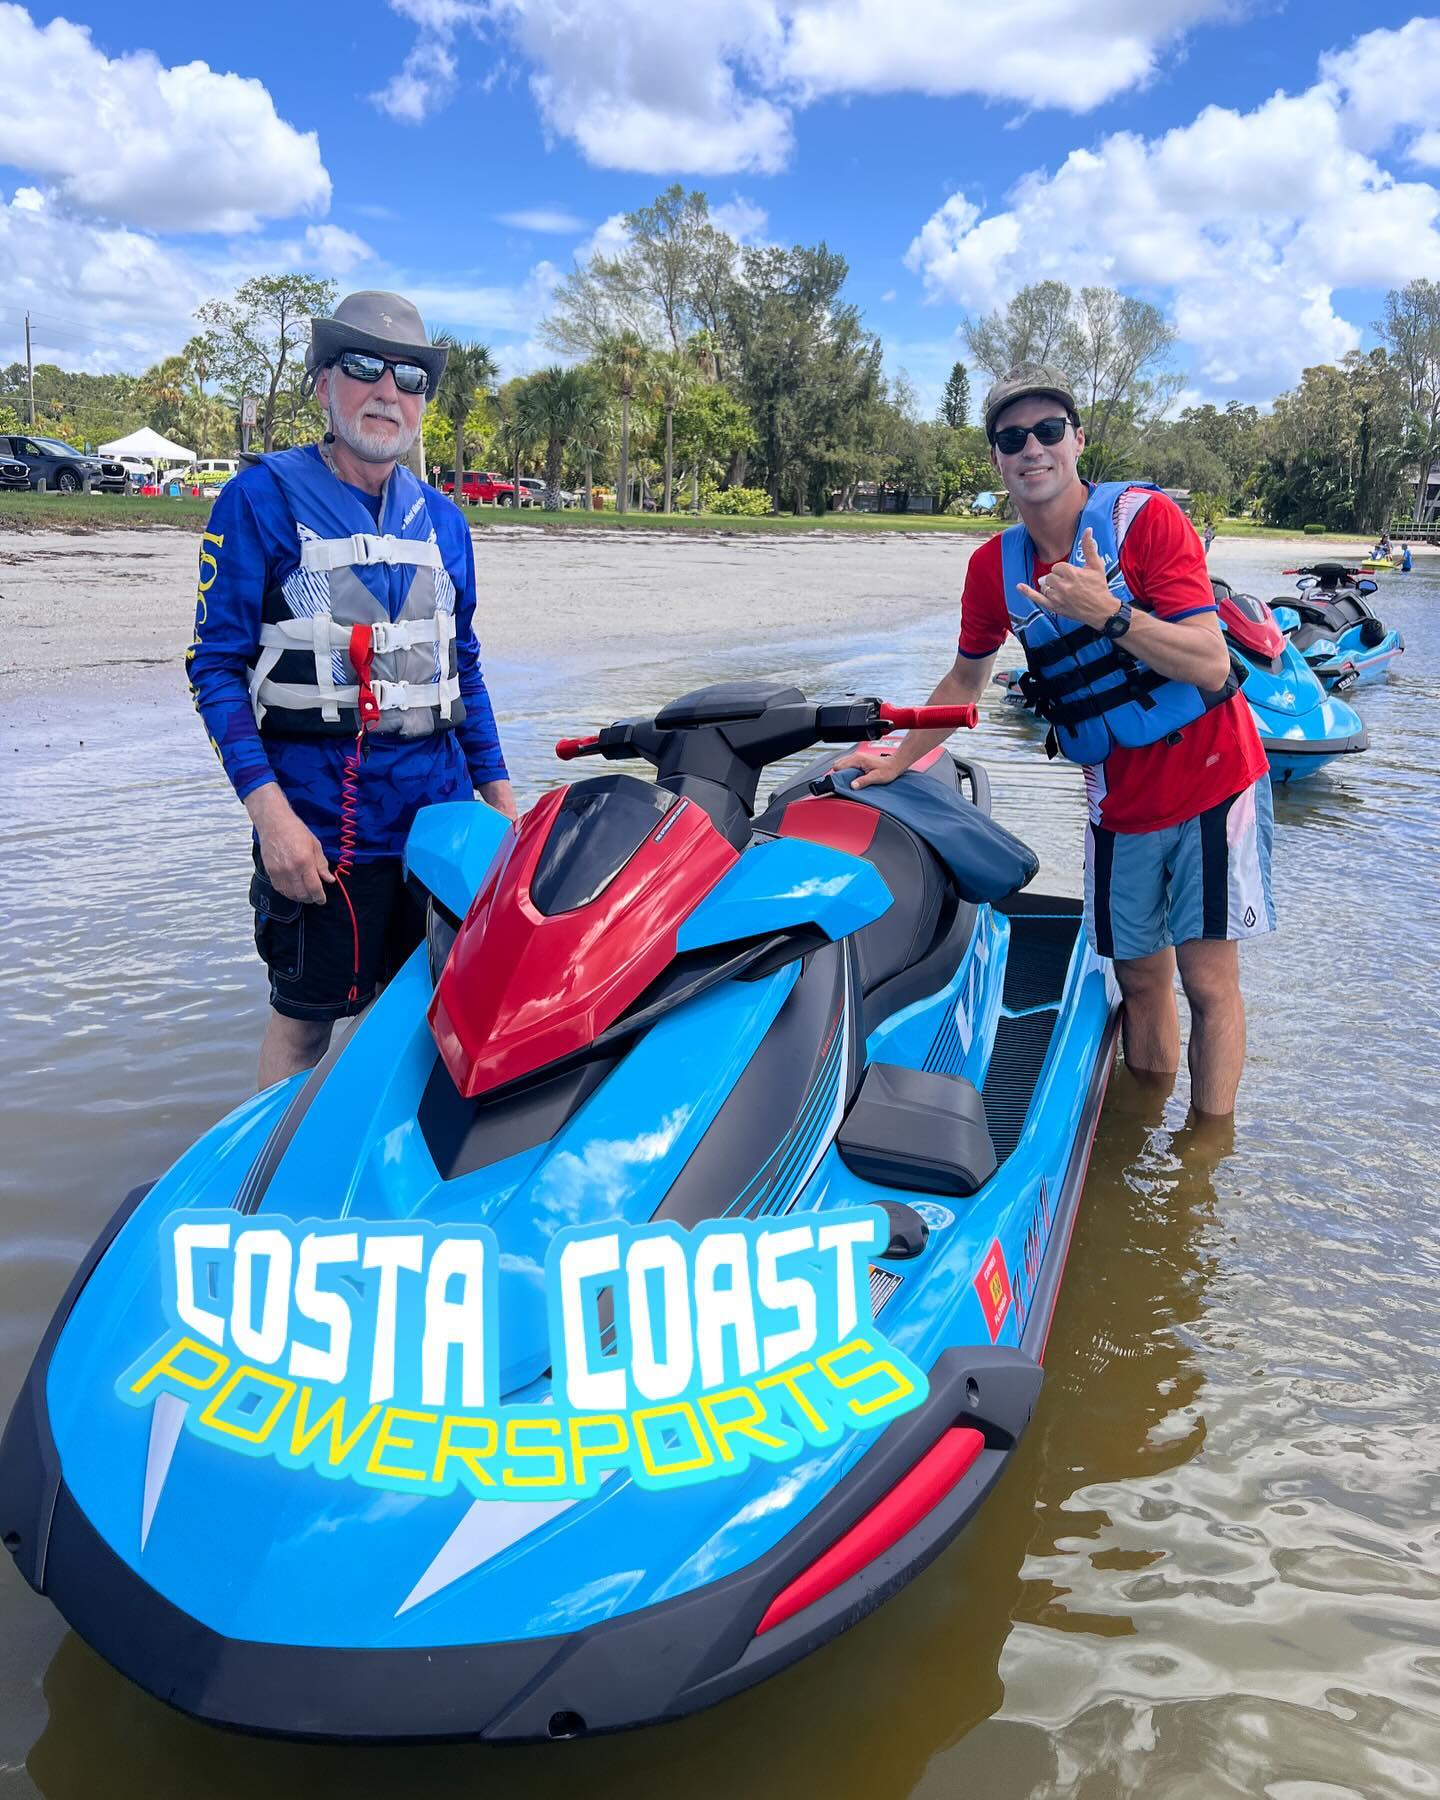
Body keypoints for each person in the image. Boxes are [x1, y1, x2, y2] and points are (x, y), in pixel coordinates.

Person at [834, 365, 1275, 1118]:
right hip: (1119, 802)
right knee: (1139, 980)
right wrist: (897, 759)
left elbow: (1210, 662)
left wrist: (1107, 612)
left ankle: (1201, 1158)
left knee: (1207, 984)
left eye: (1047, 431)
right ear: (996, 459)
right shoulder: (993, 568)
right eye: (1012, 439)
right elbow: (965, 679)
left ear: (1077, 440)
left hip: (1213, 779)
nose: (1031, 449)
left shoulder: (1146, 521)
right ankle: (1142, 1131)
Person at [187, 290, 516, 1089]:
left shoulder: (446, 522)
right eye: (365, 366)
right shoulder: (258, 500)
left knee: (427, 1020)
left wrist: (505, 811)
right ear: (323, 382)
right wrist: (273, 823)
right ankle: (275, 1162)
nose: (388, 390)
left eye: (411, 376)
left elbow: (463, 669)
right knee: (305, 1029)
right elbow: (214, 670)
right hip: (321, 836)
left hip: (440, 829)